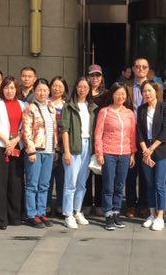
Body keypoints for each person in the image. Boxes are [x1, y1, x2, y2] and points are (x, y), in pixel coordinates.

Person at [94, 82, 137, 230]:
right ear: (112, 95)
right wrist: (99, 153)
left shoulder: (129, 113)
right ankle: (108, 214)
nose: (120, 96)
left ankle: (116, 212)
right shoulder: (104, 111)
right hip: (109, 153)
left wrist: (132, 153)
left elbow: (132, 135)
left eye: (123, 94)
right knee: (108, 185)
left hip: (125, 154)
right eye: (117, 93)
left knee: (119, 185)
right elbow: (98, 134)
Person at [0, 76, 26, 229]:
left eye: (12, 88)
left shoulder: (23, 104)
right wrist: (7, 142)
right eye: (6, 88)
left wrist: (15, 141)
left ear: (16, 89)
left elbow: (25, 127)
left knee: (15, 183)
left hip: (17, 146)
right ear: (2, 89)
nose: (9, 91)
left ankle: (14, 217)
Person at [60, 76, 98, 229]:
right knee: (70, 183)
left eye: (85, 87)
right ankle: (68, 214)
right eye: (80, 86)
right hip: (74, 147)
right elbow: (64, 130)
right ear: (75, 88)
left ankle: (77, 211)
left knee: (82, 183)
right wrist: (67, 152)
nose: (82, 89)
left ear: (89, 90)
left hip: (88, 146)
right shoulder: (68, 106)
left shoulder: (92, 107)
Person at [136, 80, 166, 231]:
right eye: (144, 91)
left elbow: (165, 130)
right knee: (149, 184)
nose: (147, 93)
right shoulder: (141, 109)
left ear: (156, 91)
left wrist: (151, 149)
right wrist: (145, 150)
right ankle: (151, 214)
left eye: (149, 90)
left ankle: (160, 216)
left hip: (161, 149)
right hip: (146, 149)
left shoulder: (164, 107)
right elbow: (139, 132)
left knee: (159, 184)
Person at [22, 79, 57, 228]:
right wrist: (31, 151)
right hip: (35, 151)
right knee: (32, 184)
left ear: (49, 91)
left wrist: (55, 148)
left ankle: (41, 212)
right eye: (39, 90)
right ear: (34, 92)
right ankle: (31, 214)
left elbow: (54, 130)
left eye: (45, 90)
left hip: (49, 151)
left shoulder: (51, 107)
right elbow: (26, 131)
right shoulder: (30, 108)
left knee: (44, 185)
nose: (42, 93)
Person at [127, 57, 151, 218]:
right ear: (133, 69)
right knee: (130, 171)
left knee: (145, 172)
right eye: (138, 66)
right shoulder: (126, 86)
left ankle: (144, 204)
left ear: (148, 69)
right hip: (130, 133)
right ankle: (130, 205)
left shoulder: (154, 87)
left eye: (144, 67)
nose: (140, 69)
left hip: (147, 134)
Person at [85, 65, 107, 216]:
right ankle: (86, 203)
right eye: (92, 75)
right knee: (85, 171)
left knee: (100, 170)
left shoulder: (107, 95)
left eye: (97, 75)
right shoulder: (83, 92)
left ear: (101, 77)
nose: (95, 78)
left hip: (102, 136)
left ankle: (99, 203)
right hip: (86, 136)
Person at [46, 76, 68, 217]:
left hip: (63, 146)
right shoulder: (45, 103)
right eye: (54, 86)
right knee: (47, 179)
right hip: (47, 146)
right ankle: (46, 206)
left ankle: (60, 205)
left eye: (60, 86)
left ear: (64, 89)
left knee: (62, 178)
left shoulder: (67, 106)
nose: (57, 89)